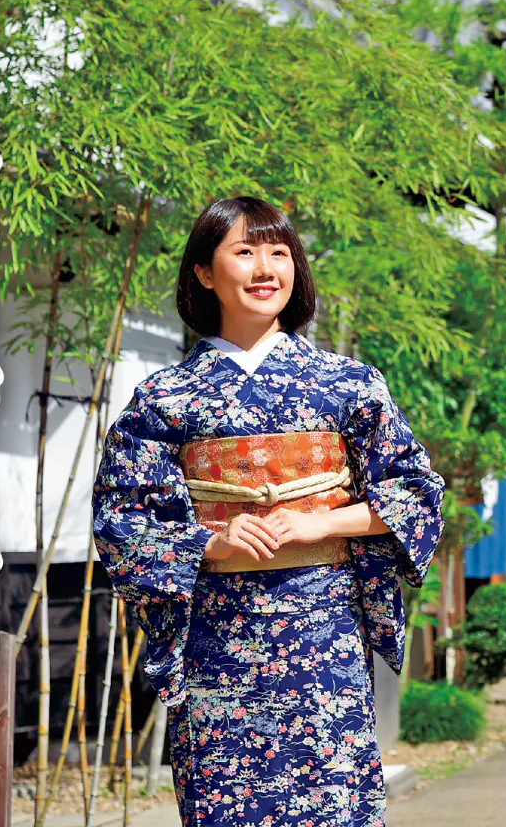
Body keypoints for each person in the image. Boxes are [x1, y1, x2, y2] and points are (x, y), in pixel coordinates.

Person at [93, 196, 445, 826]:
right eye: (244, 251)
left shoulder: (349, 383)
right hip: (218, 645)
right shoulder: (165, 396)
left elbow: (415, 494)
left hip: (326, 636)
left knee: (333, 807)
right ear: (204, 272)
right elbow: (120, 520)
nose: (265, 269)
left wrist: (322, 523)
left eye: (279, 253)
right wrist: (212, 544)